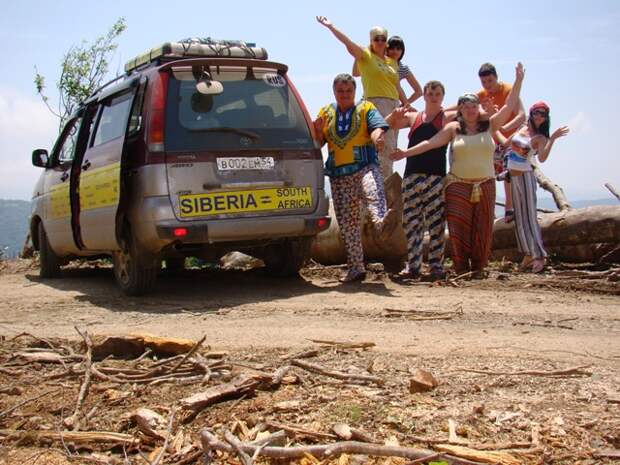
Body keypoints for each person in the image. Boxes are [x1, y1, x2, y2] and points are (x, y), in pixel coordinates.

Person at [390, 63, 525, 278]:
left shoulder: (489, 125)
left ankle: (478, 268)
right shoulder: (453, 128)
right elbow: (430, 143)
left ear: (477, 109)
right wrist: (404, 154)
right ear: (459, 111)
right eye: (466, 106)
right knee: (456, 227)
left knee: (482, 227)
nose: (470, 110)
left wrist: (518, 81)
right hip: (457, 184)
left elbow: (509, 107)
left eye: (474, 106)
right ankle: (459, 267)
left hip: (485, 183)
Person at [314, 73, 398, 283]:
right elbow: (319, 140)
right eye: (340, 91)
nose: (344, 94)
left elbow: (376, 126)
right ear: (334, 92)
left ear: (355, 91)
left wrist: (378, 137)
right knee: (348, 224)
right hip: (339, 175)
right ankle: (356, 268)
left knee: (374, 192)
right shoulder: (326, 112)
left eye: (348, 91)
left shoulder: (365, 108)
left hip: (364, 166)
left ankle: (381, 224)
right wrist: (316, 131)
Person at [316, 16, 406, 181]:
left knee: (389, 149)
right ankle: (375, 187)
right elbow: (348, 43)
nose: (380, 41)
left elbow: (396, 85)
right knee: (378, 145)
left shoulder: (391, 62)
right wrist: (331, 26)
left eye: (382, 39)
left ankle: (385, 190)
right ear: (371, 40)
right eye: (376, 38)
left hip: (393, 104)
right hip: (376, 103)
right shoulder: (366, 55)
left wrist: (406, 103)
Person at [385, 80, 456, 281]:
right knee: (411, 223)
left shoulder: (447, 117)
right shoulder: (414, 117)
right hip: (412, 175)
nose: (433, 97)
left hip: (435, 177)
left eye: (437, 93)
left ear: (442, 97)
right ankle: (413, 265)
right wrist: (394, 115)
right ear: (424, 95)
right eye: (430, 93)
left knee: (436, 224)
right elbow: (386, 124)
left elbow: (473, 114)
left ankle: (435, 266)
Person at [494, 102, 569, 273]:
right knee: (520, 218)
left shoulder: (541, 138)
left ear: (546, 117)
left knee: (530, 216)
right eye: (536, 112)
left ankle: (539, 255)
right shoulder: (522, 129)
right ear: (531, 113)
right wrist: (494, 123)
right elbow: (505, 142)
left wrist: (553, 138)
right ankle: (528, 253)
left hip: (526, 176)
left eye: (542, 114)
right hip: (513, 177)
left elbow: (542, 158)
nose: (538, 116)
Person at [477, 62, 526, 223]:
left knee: (508, 170)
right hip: (493, 139)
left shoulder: (508, 90)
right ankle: (487, 210)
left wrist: (504, 127)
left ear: (496, 77)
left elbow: (521, 115)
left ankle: (509, 207)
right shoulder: (481, 95)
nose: (487, 85)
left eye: (490, 81)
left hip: (512, 138)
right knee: (487, 174)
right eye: (484, 82)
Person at [352, 35, 423, 107]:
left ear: (402, 51)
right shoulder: (376, 62)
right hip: (371, 99)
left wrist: (404, 104)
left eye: (398, 49)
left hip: (389, 102)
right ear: (386, 49)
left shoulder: (402, 68)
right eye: (392, 48)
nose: (395, 51)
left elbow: (419, 91)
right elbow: (355, 73)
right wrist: (359, 56)